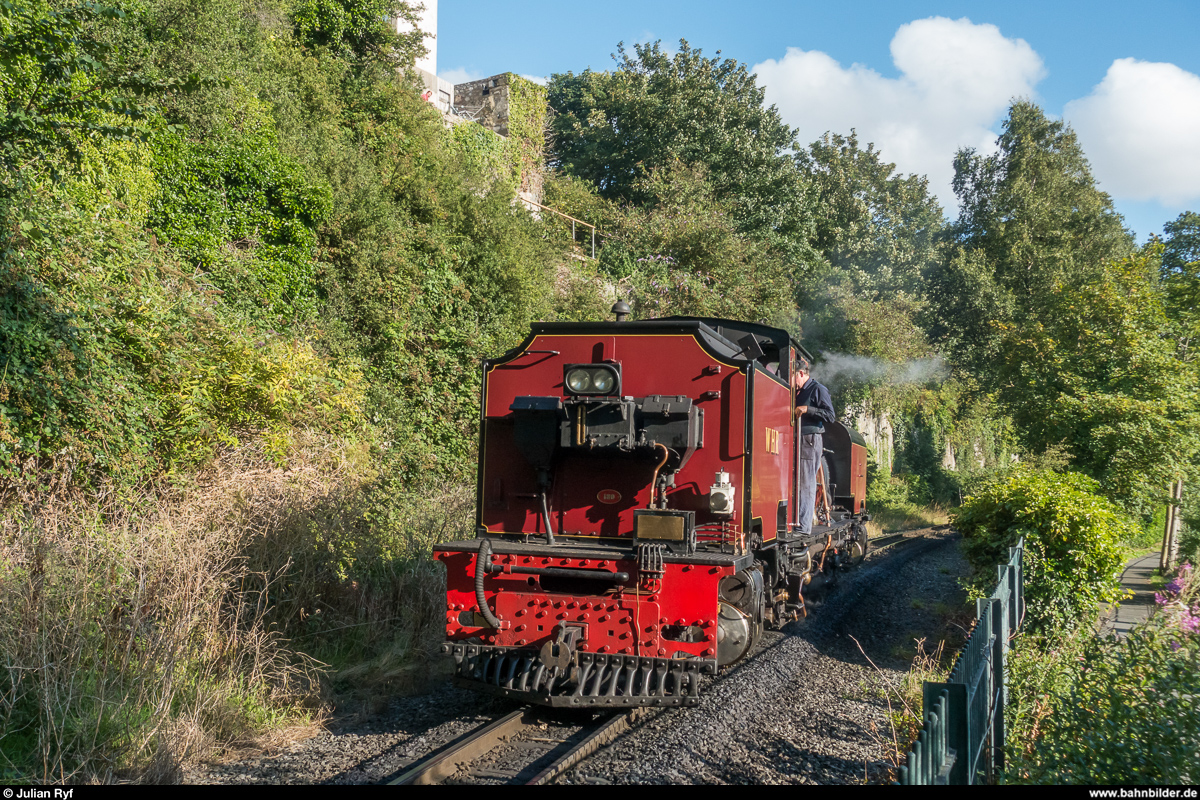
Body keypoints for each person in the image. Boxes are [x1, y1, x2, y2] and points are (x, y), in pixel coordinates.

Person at [793, 358, 836, 535]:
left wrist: (807, 409)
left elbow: (830, 415)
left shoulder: (818, 389)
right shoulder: (797, 391)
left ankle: (803, 527)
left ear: (801, 373)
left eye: (792, 376)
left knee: (806, 482)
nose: (790, 382)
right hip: (798, 438)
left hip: (810, 438)